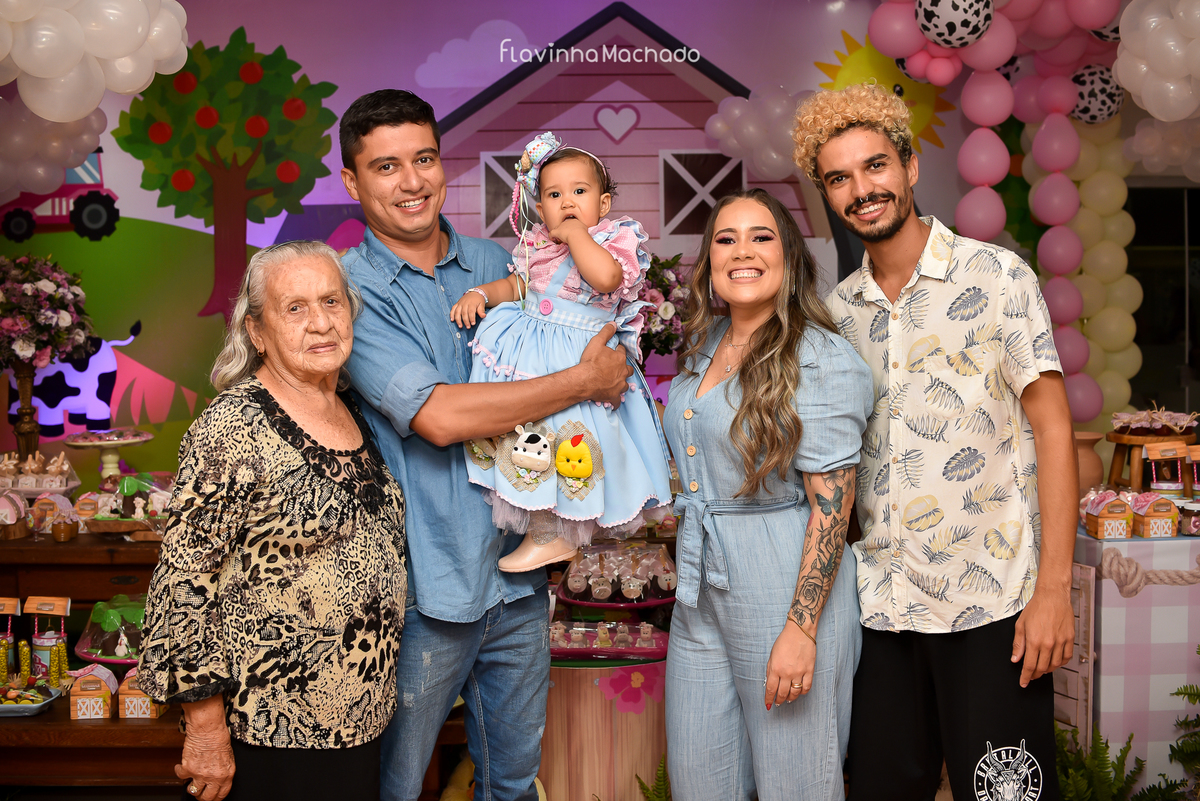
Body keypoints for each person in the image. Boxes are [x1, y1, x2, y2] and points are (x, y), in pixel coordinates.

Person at [337, 89, 633, 801]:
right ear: (352, 181)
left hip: (518, 575)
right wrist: (583, 379)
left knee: (512, 783)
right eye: (385, 166)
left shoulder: (500, 262)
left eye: (424, 159)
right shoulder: (350, 288)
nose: (412, 182)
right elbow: (437, 416)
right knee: (396, 787)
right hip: (423, 589)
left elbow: (591, 337)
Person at [795, 83, 1077, 801]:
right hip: (881, 611)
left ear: (911, 167)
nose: (862, 189)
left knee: (1006, 794)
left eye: (876, 165)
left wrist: (1054, 590)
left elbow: (1054, 429)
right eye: (839, 178)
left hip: (993, 606)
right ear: (827, 195)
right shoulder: (836, 316)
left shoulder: (998, 277)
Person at [138, 240, 407, 801]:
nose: (321, 323)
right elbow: (182, 584)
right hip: (270, 729)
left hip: (359, 719)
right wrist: (205, 730)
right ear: (256, 331)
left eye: (331, 301)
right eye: (295, 308)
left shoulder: (353, 408)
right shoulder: (233, 427)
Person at [663, 188, 872, 800]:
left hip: (786, 583)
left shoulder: (821, 357)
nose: (742, 251)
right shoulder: (705, 344)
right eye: (725, 239)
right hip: (700, 589)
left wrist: (801, 629)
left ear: (790, 257)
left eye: (761, 237)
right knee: (698, 781)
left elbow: (833, 508)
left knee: (795, 784)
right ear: (709, 260)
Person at [450, 131, 672, 570]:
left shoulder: (611, 240)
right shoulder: (537, 244)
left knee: (573, 444)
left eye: (579, 192)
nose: (567, 201)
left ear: (603, 204)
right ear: (540, 208)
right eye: (554, 195)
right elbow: (519, 285)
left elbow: (606, 278)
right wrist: (483, 293)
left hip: (578, 355)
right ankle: (543, 530)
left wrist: (575, 234)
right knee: (531, 439)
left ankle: (560, 532)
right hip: (534, 354)